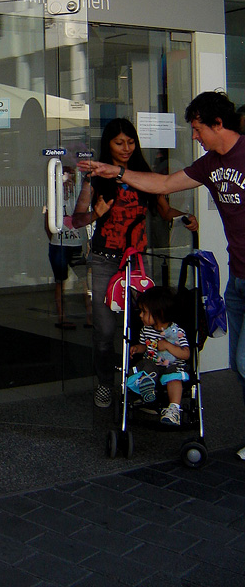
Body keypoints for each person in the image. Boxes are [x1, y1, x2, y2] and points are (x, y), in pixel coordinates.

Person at [78, 91, 245, 454]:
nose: (195, 137)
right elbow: (166, 184)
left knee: (243, 359)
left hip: (144, 262)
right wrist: (113, 173)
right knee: (236, 362)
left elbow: (163, 198)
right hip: (235, 275)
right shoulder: (211, 164)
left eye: (198, 129)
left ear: (217, 123)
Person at [72, 118, 197, 408]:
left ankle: (143, 380)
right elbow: (77, 219)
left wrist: (183, 218)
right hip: (104, 261)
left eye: (131, 142)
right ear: (108, 145)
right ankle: (104, 383)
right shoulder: (97, 178)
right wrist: (96, 214)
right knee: (104, 330)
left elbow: (164, 212)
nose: (126, 148)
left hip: (138, 264)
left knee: (144, 327)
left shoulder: (144, 175)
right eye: (119, 143)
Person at [127, 286, 190, 425]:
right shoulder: (146, 330)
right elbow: (146, 346)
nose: (140, 315)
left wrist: (168, 345)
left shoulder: (175, 331)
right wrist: (137, 348)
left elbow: (186, 354)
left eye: (144, 312)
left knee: (173, 375)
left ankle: (173, 409)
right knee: (146, 365)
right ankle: (147, 388)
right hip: (153, 366)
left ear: (159, 313)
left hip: (171, 365)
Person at [45, 165, 93, 330]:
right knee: (61, 281)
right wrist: (56, 239)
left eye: (70, 180)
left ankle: (89, 318)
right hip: (60, 245)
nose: (68, 184)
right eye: (65, 180)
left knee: (83, 281)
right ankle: (62, 317)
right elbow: (48, 225)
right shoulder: (54, 199)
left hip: (75, 244)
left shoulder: (79, 199)